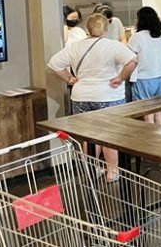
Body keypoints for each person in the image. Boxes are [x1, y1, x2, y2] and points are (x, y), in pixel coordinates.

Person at [48, 13, 137, 182]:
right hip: (108, 95)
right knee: (110, 136)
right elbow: (132, 61)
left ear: (87, 28)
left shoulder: (75, 47)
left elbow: (54, 64)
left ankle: (92, 170)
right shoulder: (113, 46)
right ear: (106, 29)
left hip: (81, 97)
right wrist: (121, 78)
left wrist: (70, 79)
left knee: (89, 136)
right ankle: (112, 172)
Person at [127, 6, 161, 124]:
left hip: (144, 78)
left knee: (148, 115)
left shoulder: (137, 37)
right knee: (158, 112)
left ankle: (149, 136)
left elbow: (129, 56)